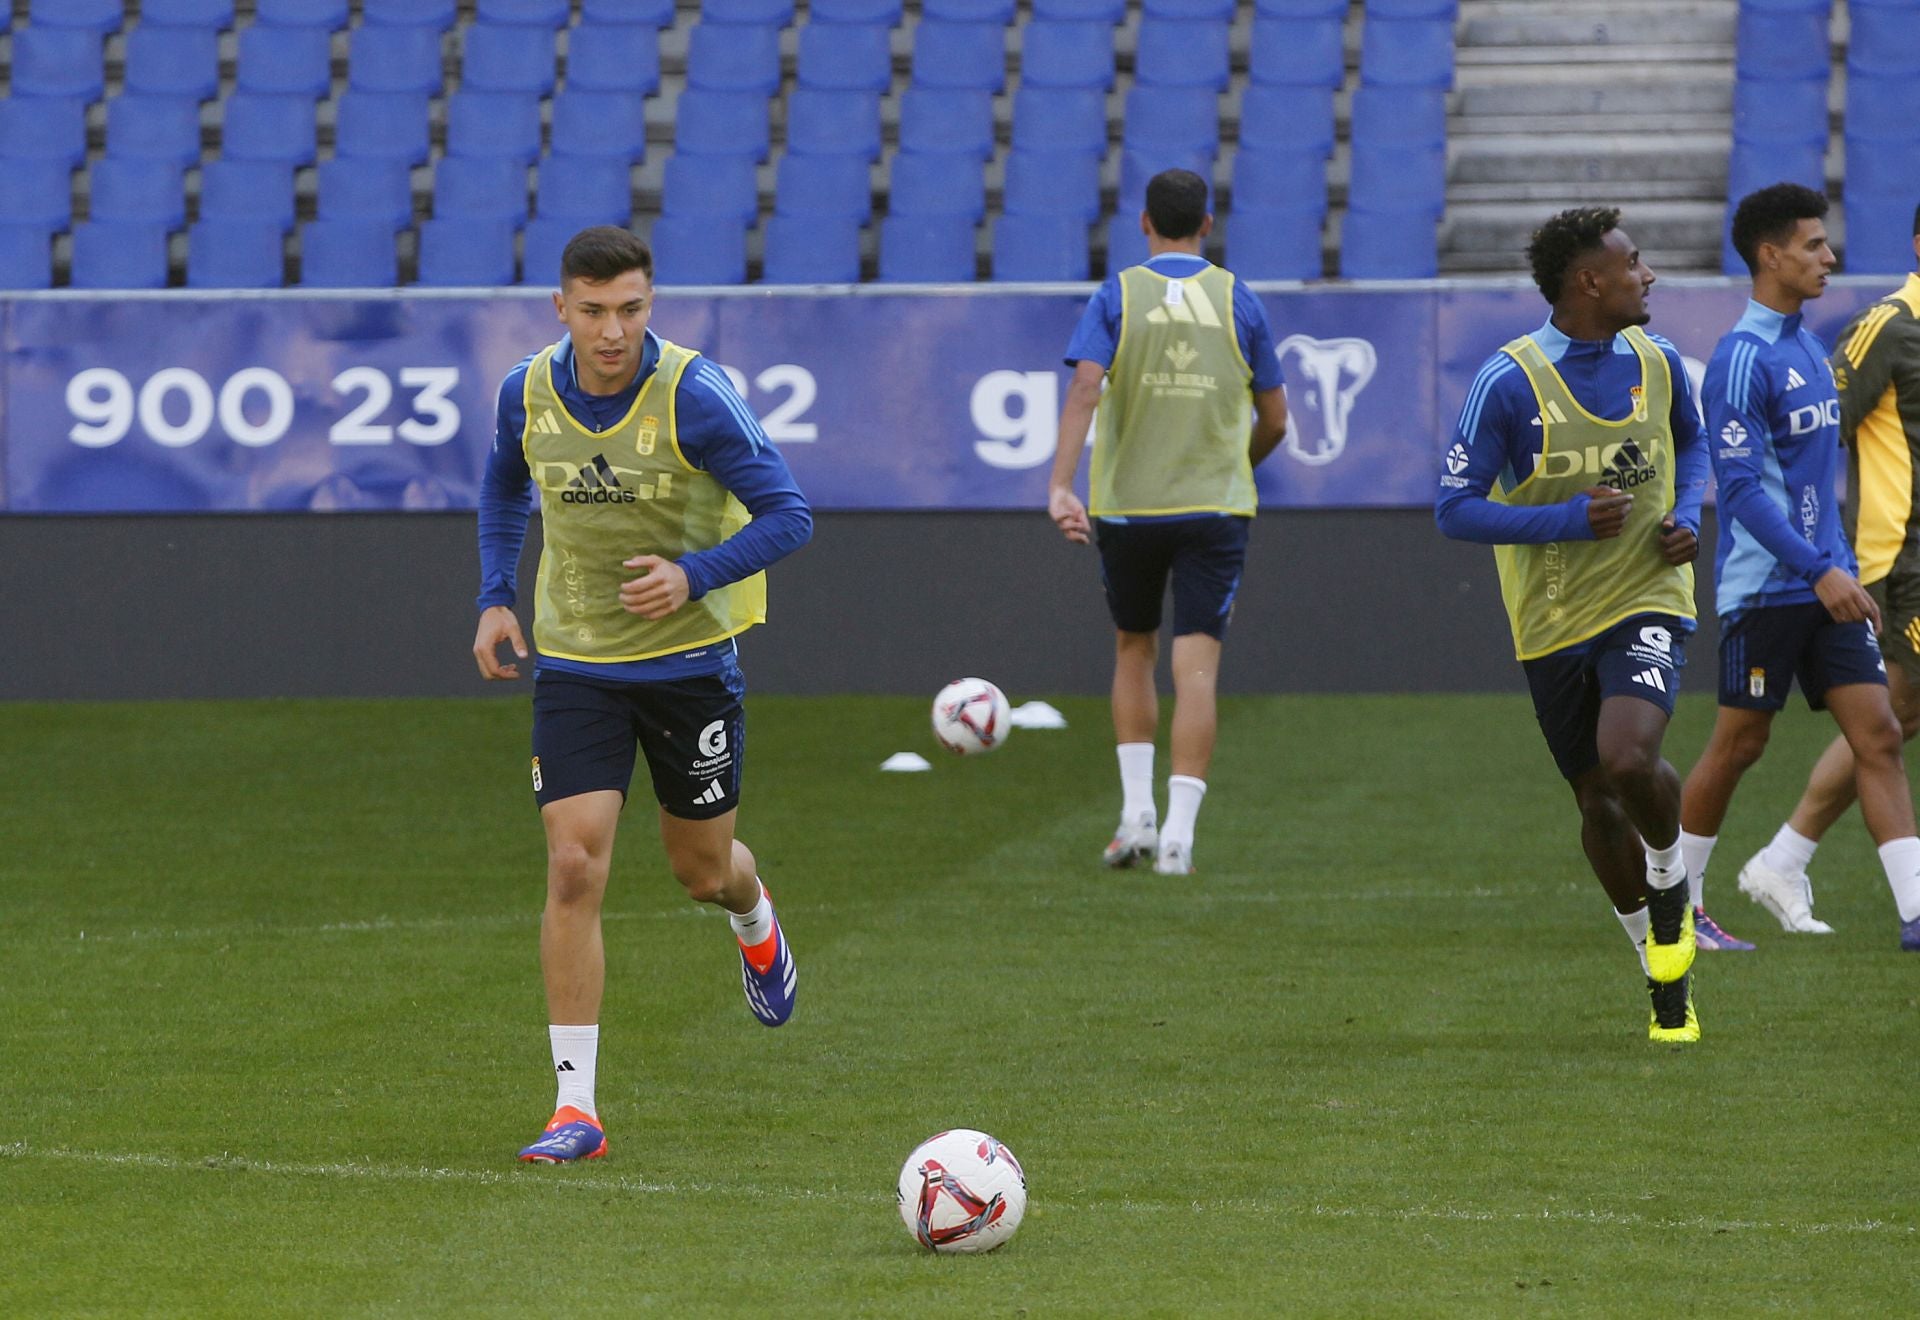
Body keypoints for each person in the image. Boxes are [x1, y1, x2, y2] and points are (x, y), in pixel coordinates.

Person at [472, 227, 813, 1163]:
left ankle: (752, 914)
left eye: (629, 309)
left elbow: (791, 513)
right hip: (576, 665)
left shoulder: (696, 395)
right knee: (575, 867)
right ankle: (574, 1109)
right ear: (561, 308)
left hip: (689, 667)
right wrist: (497, 596)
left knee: (700, 870)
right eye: (593, 311)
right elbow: (505, 485)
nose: (612, 330)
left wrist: (694, 574)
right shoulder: (526, 392)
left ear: (649, 302)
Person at [1435, 206, 1708, 1042]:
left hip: (1649, 597)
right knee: (1595, 798)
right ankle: (1662, 975)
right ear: (1590, 280)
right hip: (1553, 621)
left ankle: (1672, 875)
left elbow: (1691, 449)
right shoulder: (1509, 381)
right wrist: (1563, 520)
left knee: (1629, 757)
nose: (1648, 274)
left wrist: (1688, 513)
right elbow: (1454, 509)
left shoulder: (1658, 362)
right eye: (1635, 262)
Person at [1676, 184, 1920, 954]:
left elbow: (1824, 481)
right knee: (1740, 743)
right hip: (1769, 587)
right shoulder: (1740, 361)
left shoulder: (1812, 351)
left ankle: (1916, 915)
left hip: (1829, 582)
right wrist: (1820, 569)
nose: (1830, 257)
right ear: (1769, 255)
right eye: (1814, 245)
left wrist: (1840, 569)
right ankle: (1675, 909)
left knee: (1879, 732)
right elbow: (1742, 491)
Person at [1046, 168, 1289, 876]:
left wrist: (1062, 485)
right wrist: (1235, 464)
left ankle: (1135, 818)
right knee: (1199, 668)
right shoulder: (1238, 297)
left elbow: (1086, 386)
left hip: (1129, 505)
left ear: (1145, 224)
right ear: (1207, 227)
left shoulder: (1118, 293)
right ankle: (1179, 838)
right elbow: (1276, 417)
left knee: (1133, 649)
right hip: (1215, 507)